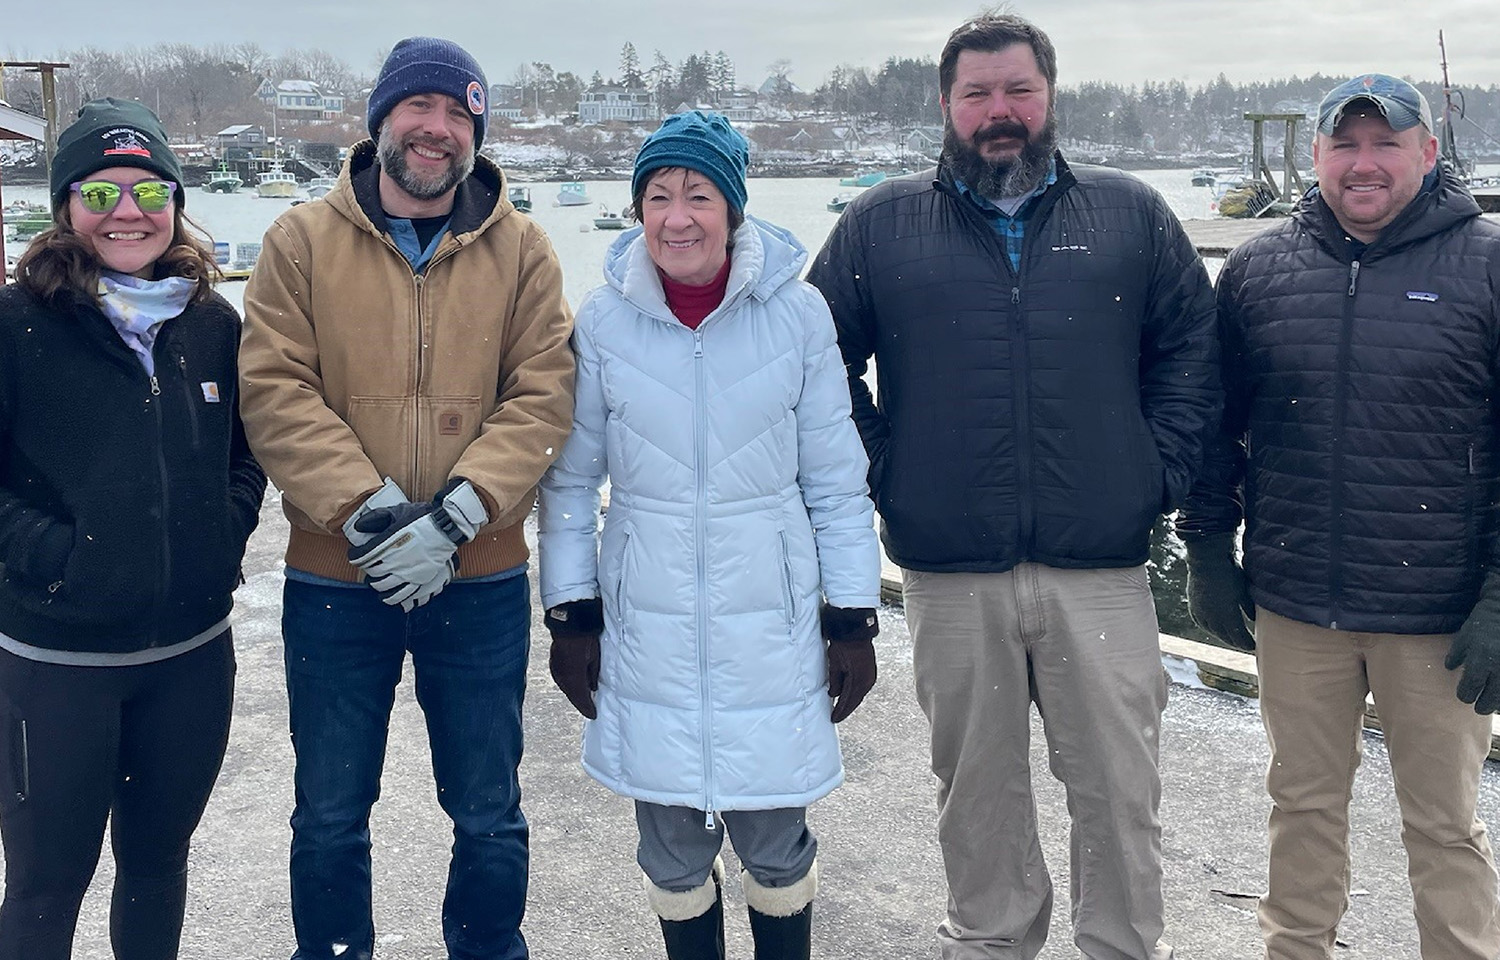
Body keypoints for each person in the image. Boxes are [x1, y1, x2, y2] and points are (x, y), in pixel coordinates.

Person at [807, 13, 1219, 960]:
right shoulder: (879, 223)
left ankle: (1121, 948)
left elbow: (1193, 351)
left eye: (1019, 92)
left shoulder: (1130, 214)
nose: (1002, 113)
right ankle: (988, 946)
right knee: (977, 797)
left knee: (1120, 794)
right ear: (947, 105)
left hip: (1102, 566)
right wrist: (888, 465)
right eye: (979, 94)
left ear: (1051, 97)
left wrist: (1156, 472)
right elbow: (816, 362)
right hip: (952, 571)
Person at [238, 38, 575, 960]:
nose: (437, 131)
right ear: (381, 120)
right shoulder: (299, 243)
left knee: (488, 811)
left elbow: (543, 390)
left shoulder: (524, 250)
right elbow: (275, 388)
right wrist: (372, 514)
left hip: (481, 581)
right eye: (419, 110)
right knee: (331, 813)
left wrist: (463, 513)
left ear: (476, 135)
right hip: (336, 579)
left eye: (460, 116)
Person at [537, 110, 882, 960]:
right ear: (638, 210)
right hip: (648, 618)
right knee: (673, 849)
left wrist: (851, 614)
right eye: (657, 196)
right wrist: (571, 612)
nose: (677, 216)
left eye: (698, 194)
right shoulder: (606, 320)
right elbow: (573, 481)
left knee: (774, 840)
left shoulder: (797, 316)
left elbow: (836, 481)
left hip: (769, 616)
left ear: (733, 208)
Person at [1178, 74, 1500, 960]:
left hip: (1436, 613)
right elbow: (1216, 428)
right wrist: (1208, 545)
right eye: (1344, 144)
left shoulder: (1488, 264)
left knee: (1444, 826)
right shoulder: (1257, 269)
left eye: (1385, 143)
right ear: (1316, 156)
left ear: (1427, 153)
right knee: (1302, 808)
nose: (1364, 164)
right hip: (1297, 603)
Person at [0, 98, 266, 960]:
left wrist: (221, 533)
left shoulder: (212, 323)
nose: (127, 213)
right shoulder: (17, 325)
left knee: (157, 865)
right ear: (65, 207)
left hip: (189, 657)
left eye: (151, 194)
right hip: (57, 666)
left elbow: (245, 455)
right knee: (46, 885)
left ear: (176, 205)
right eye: (101, 192)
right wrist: (57, 557)